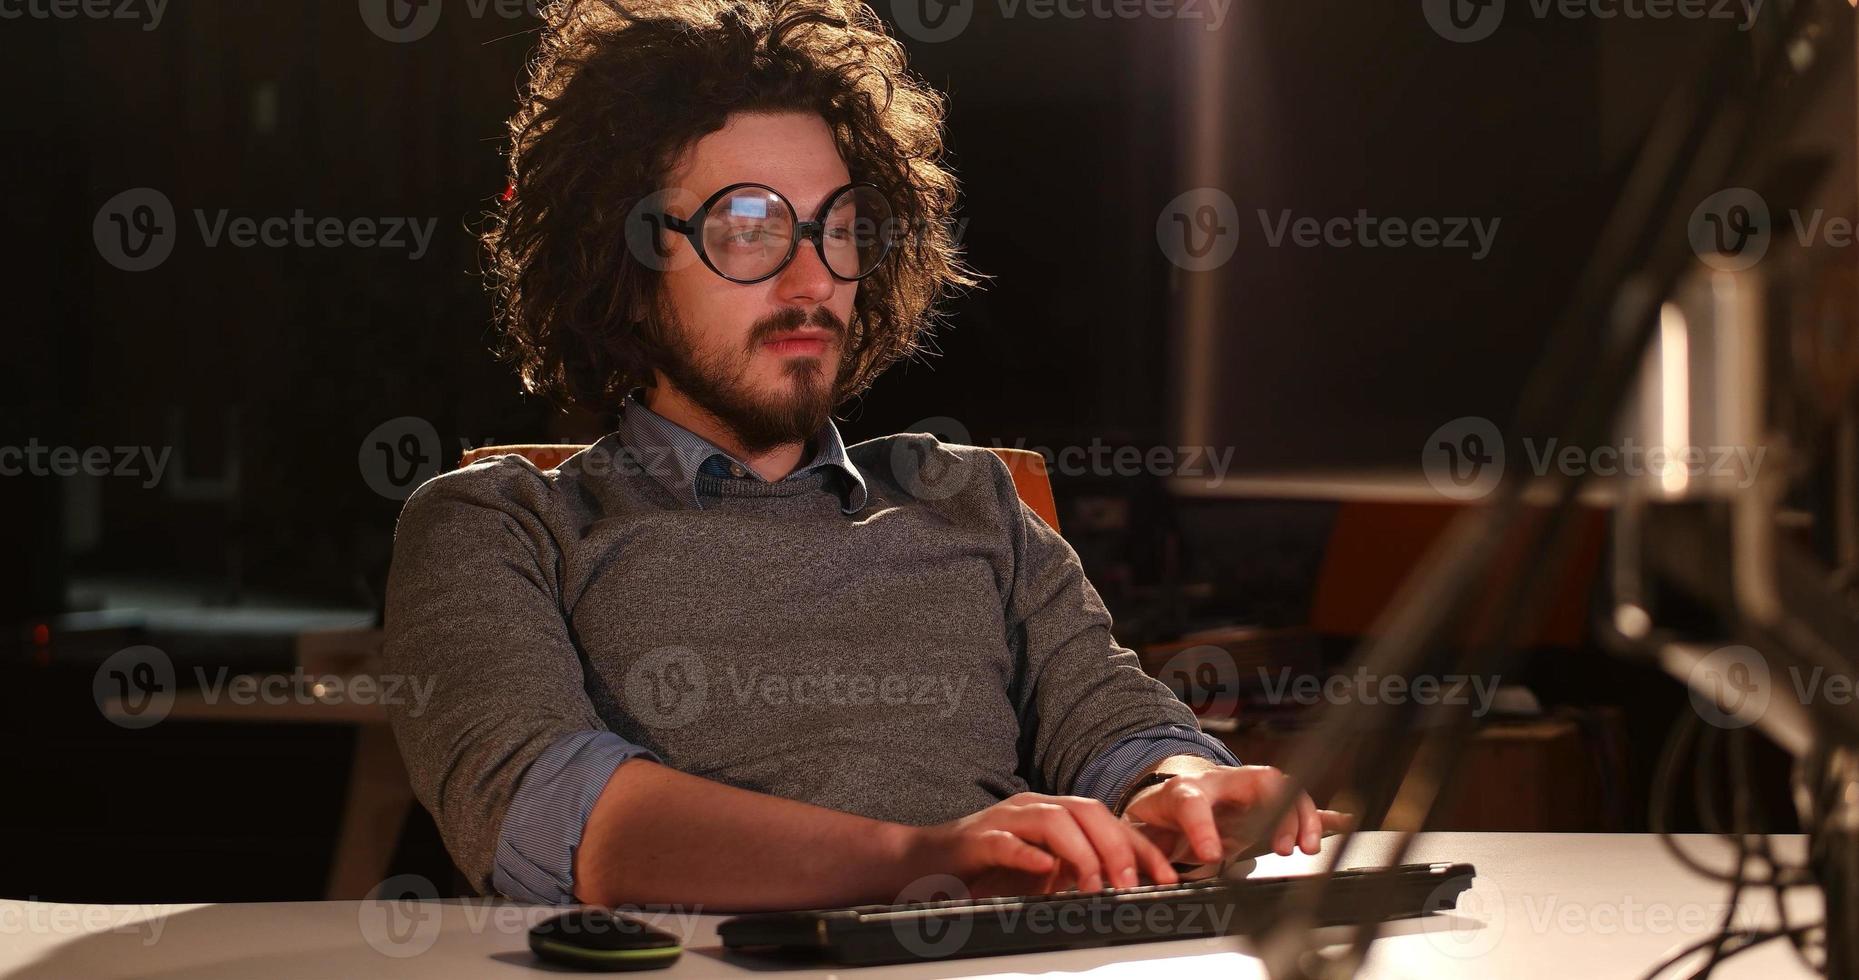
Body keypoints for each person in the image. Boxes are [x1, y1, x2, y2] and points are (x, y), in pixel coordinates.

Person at [383, 0, 1340, 911]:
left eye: (837, 227)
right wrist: (921, 863)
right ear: (622, 261)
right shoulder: (501, 524)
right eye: (747, 228)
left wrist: (1177, 786)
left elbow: (1116, 725)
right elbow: (548, 811)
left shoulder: (966, 497)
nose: (812, 280)